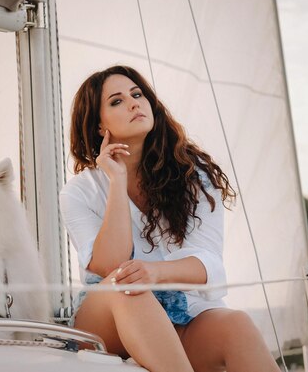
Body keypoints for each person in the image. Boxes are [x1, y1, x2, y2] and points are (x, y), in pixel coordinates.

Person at [59, 65, 280, 372]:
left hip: (178, 315)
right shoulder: (79, 192)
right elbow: (109, 265)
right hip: (105, 321)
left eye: (137, 94)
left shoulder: (194, 176)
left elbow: (208, 263)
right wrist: (116, 181)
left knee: (237, 326)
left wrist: (154, 272)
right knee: (125, 285)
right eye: (117, 101)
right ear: (99, 126)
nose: (134, 103)